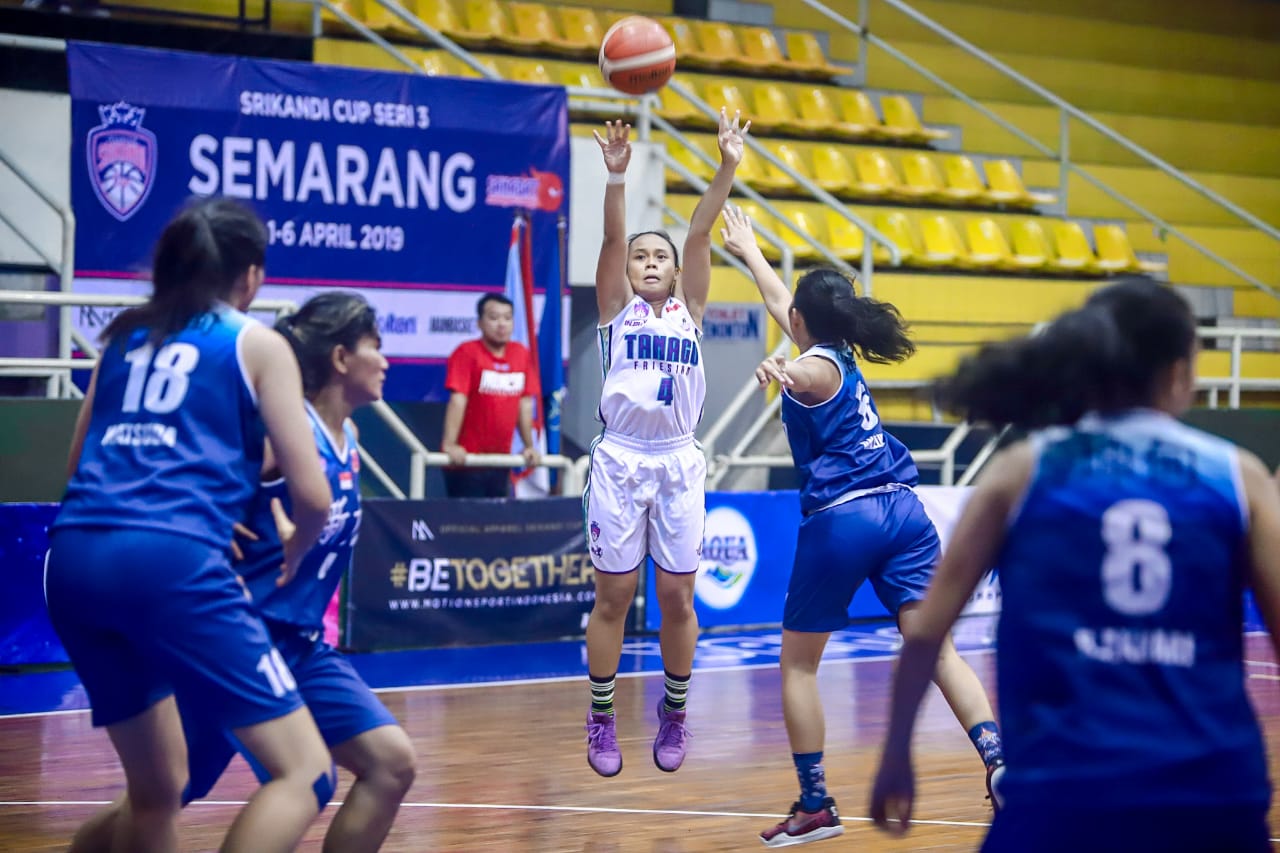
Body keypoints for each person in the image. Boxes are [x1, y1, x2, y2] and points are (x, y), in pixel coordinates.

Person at [870, 280, 1280, 852]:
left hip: (1061, 796)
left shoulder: (1021, 472)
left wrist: (895, 756)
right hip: (1212, 794)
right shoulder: (1241, 478)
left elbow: (926, 635)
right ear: (1178, 372)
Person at [70, 292, 417, 853]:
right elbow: (188, 481)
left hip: (299, 646)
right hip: (235, 639)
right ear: (340, 358)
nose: (386, 360)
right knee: (162, 796)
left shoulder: (347, 438)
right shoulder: (283, 432)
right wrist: (207, 521)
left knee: (392, 764)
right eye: (375, 346)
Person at [44, 197, 336, 853]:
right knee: (304, 771)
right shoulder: (256, 342)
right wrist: (297, 544)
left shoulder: (122, 337)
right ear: (252, 275)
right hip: (168, 560)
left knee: (156, 789)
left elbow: (76, 465)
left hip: (71, 558)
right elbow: (312, 492)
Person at [720, 204, 1005, 847]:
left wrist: (778, 372)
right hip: (905, 511)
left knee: (796, 667)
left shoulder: (811, 364)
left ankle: (815, 804)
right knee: (935, 648)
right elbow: (784, 309)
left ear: (800, 323)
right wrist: (750, 251)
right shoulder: (838, 349)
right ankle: (997, 759)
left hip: (845, 518)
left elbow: (802, 372)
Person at [581, 107, 747, 778]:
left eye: (661, 256)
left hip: (678, 458)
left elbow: (702, 226)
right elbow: (614, 239)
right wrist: (616, 180)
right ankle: (600, 718)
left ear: (677, 274)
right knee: (613, 594)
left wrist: (728, 165)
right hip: (621, 457)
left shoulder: (691, 311)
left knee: (679, 596)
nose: (649, 261)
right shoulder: (614, 310)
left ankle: (675, 710)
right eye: (642, 256)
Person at [440, 293, 540, 498]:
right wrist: (449, 445)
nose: (501, 324)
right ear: (479, 323)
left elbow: (524, 404)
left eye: (507, 318)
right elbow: (458, 400)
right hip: (466, 462)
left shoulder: (521, 354)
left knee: (496, 525)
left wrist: (530, 446)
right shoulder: (466, 352)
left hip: (501, 462)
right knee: (467, 526)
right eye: (494, 318)